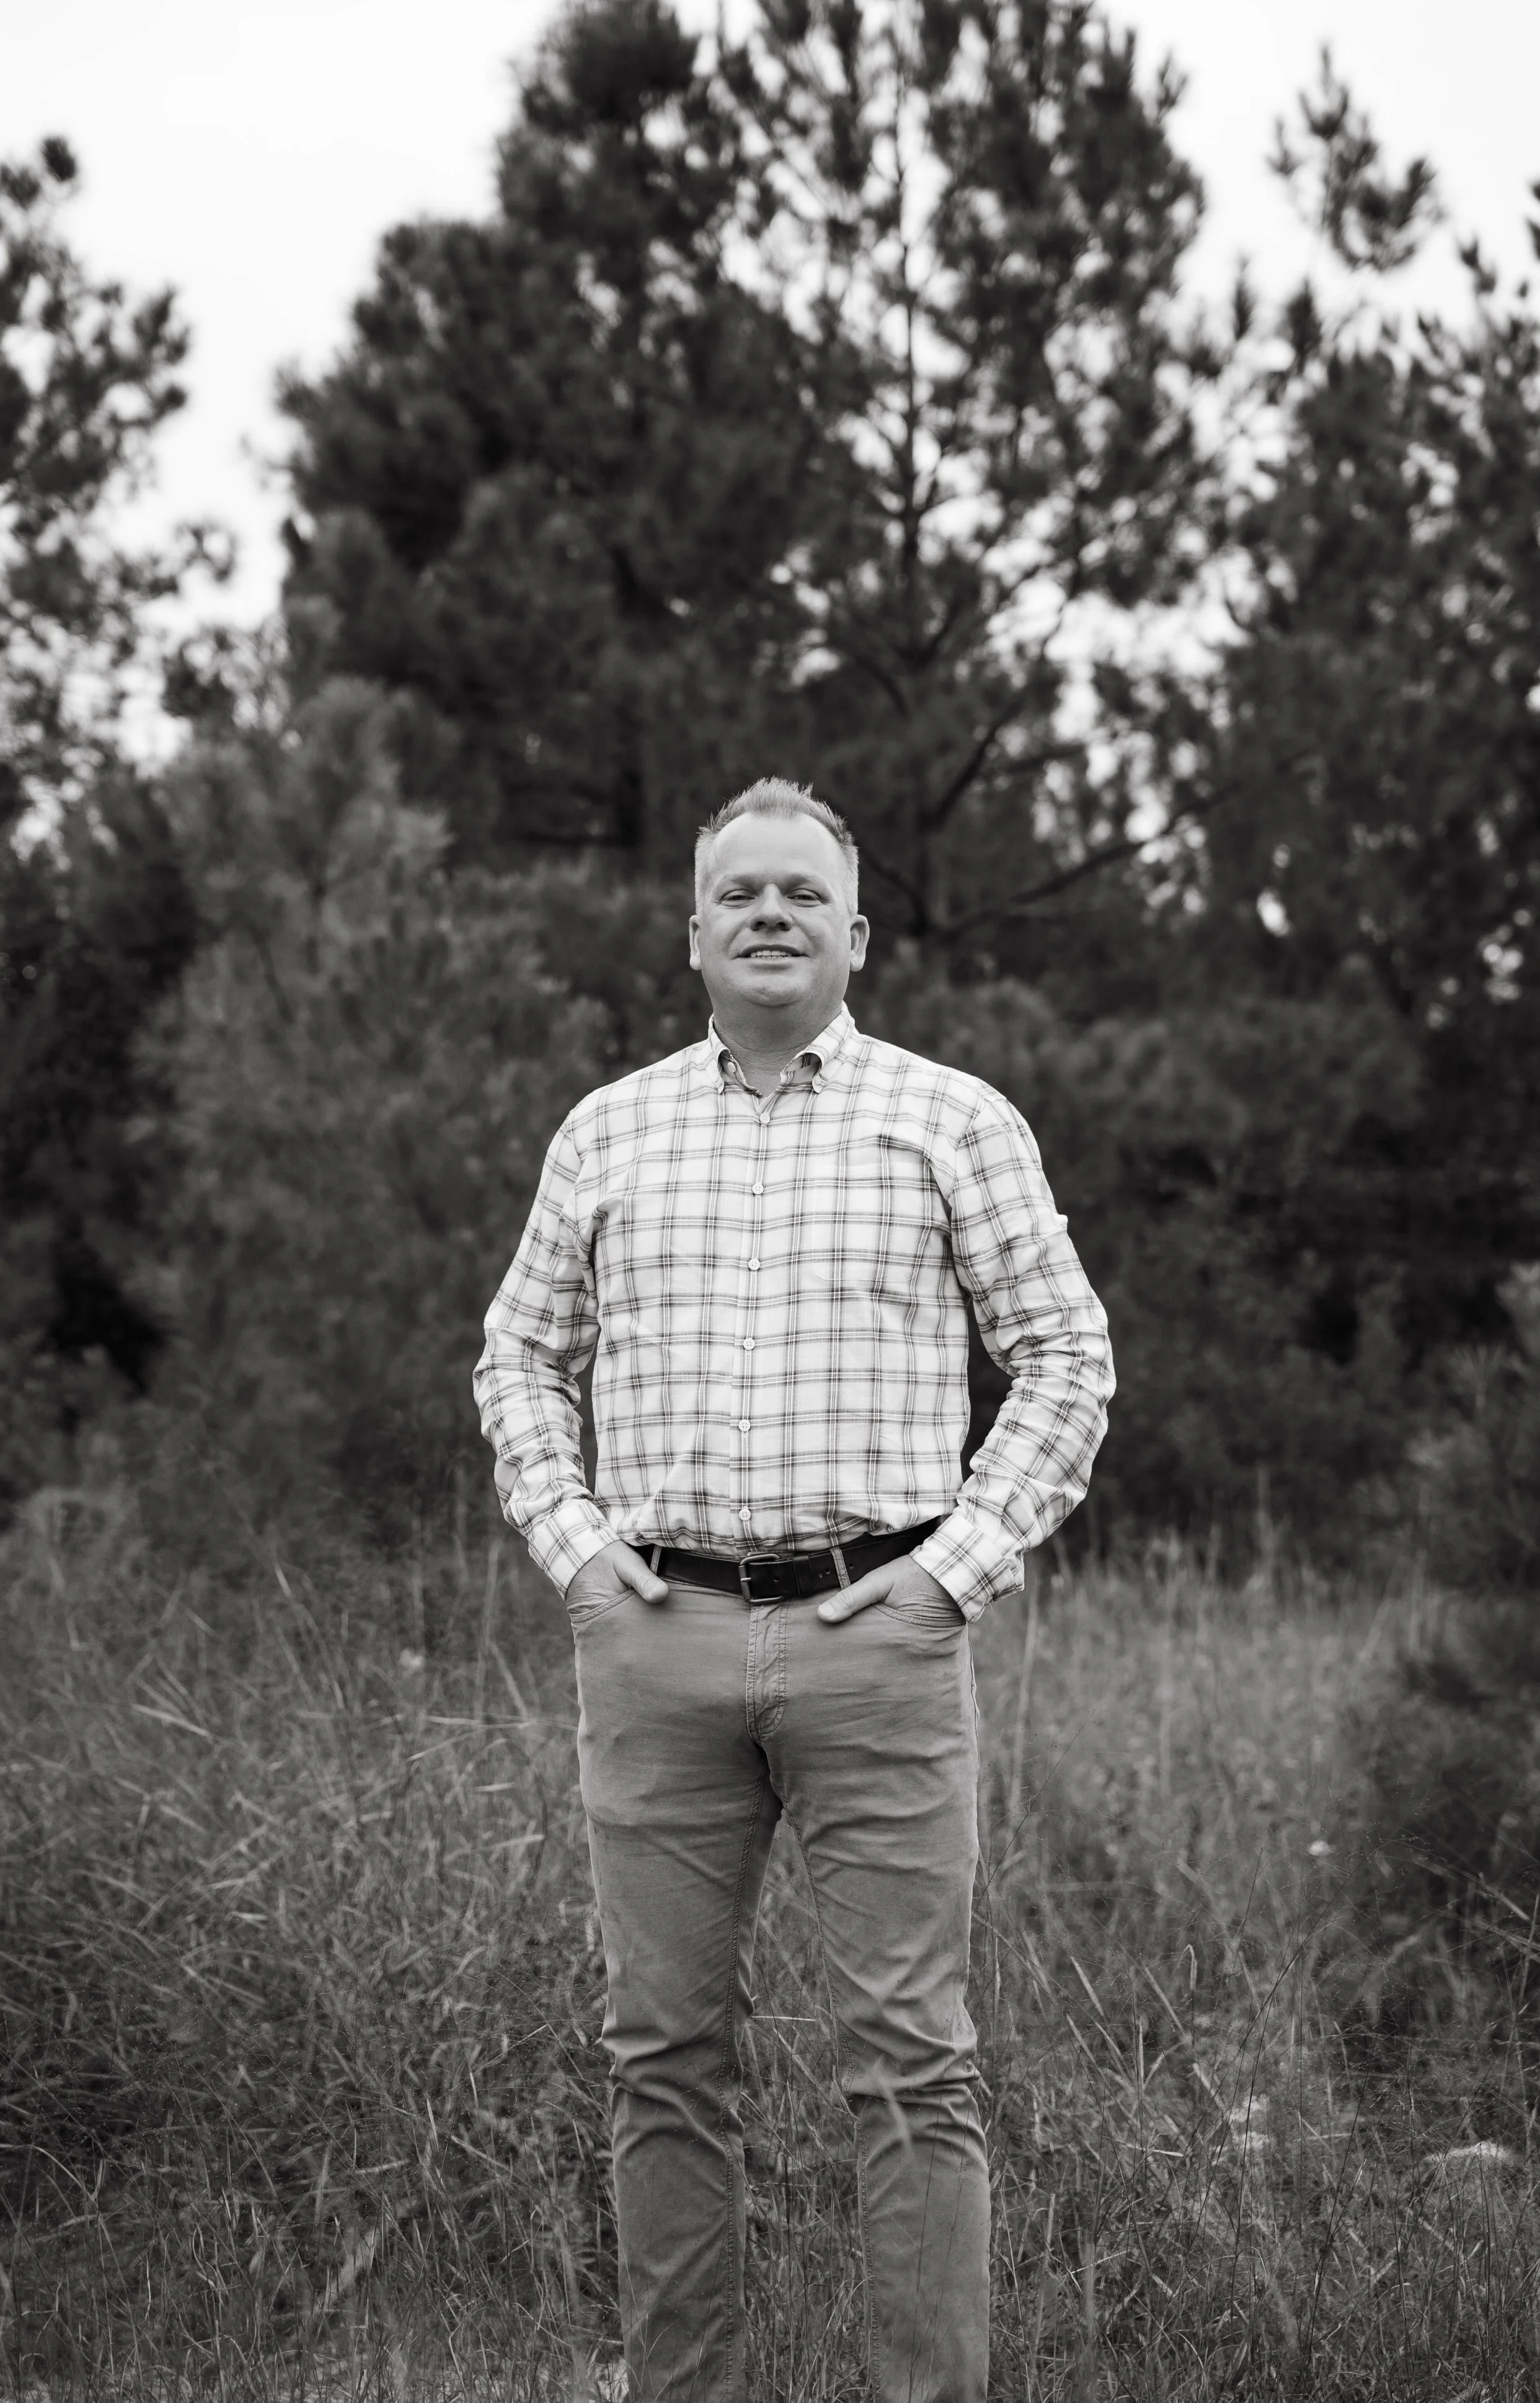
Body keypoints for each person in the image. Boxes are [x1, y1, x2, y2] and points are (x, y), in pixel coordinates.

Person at [474, 777, 1113, 2402]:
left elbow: (1062, 1357)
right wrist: (577, 1551)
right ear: (692, 931)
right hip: (656, 1644)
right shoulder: (607, 1129)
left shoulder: (951, 1117)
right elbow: (519, 1356)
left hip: (880, 1643)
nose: (769, 913)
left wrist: (952, 1573)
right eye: (738, 891)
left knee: (911, 2063)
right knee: (661, 2056)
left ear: (855, 933)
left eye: (801, 894)